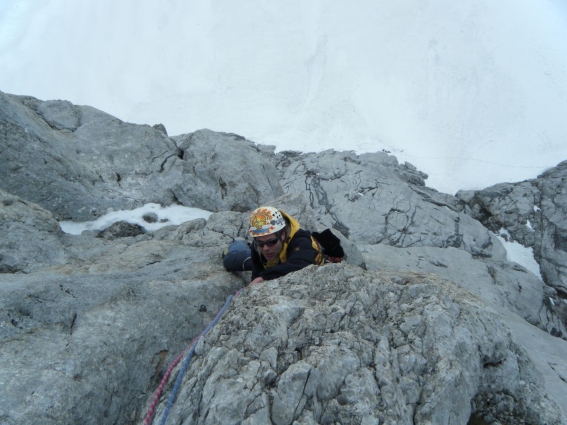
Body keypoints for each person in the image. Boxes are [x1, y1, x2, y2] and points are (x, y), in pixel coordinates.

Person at [248, 206, 325, 285]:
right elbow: (256, 275)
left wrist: (264, 277)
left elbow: (301, 264)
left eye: (271, 242)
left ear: (283, 235)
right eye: (260, 243)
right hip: (276, 262)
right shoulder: (257, 246)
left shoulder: (301, 241)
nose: (265, 248)